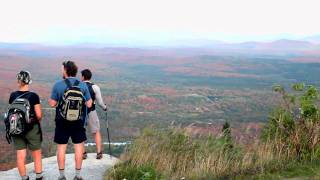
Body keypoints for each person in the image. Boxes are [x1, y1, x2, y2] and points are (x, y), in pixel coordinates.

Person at [49, 61, 92, 180]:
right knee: (78, 147)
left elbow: (52, 103)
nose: (61, 71)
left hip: (61, 120)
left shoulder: (58, 85)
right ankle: (78, 176)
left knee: (61, 148)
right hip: (78, 121)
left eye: (62, 69)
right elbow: (89, 104)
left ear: (66, 70)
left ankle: (62, 176)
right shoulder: (82, 85)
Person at [8, 71, 43, 180]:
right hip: (32, 129)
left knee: (20, 154)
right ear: (29, 81)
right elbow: (39, 115)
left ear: (19, 81)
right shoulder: (34, 96)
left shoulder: (13, 95)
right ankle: (39, 176)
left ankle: (24, 177)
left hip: (16, 128)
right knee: (36, 154)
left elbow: (11, 112)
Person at [81, 69, 108, 160]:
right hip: (91, 111)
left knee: (81, 132)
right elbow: (100, 102)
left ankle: (83, 153)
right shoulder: (95, 87)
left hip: (80, 112)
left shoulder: (78, 86)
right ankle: (99, 152)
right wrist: (104, 107)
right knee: (96, 131)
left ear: (83, 77)